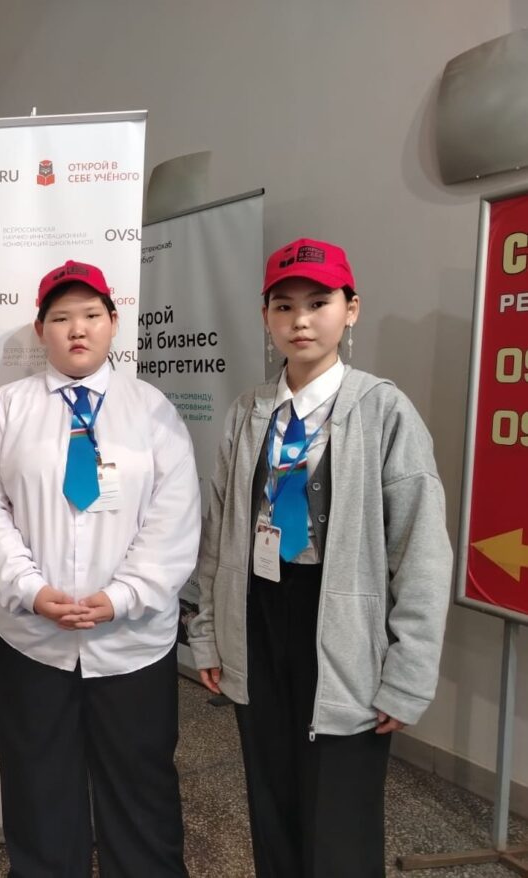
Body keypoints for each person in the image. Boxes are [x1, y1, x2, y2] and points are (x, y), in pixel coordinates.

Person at [189, 238, 451, 877]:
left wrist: (408, 673)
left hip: (341, 626)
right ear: (266, 317)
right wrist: (209, 632)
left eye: (318, 303)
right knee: (271, 795)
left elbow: (421, 549)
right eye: (283, 306)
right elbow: (219, 530)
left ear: (350, 309)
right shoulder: (250, 411)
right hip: (258, 614)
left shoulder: (383, 409)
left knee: (340, 811)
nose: (300, 320)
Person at [0, 260, 201, 877]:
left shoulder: (152, 411)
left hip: (132, 639)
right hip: (29, 636)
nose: (77, 329)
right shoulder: (5, 410)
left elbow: (174, 518)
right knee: (38, 781)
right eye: (61, 317)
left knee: (140, 780)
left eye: (92, 315)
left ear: (114, 322)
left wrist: (125, 595)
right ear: (40, 329)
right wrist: (30, 590)